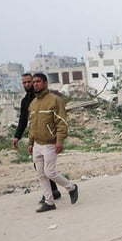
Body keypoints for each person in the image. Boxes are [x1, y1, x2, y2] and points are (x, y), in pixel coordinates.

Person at [26, 73, 79, 213]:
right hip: (37, 144)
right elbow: (31, 125)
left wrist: (59, 140)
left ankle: (71, 187)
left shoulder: (55, 100)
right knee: (41, 174)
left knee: (49, 172)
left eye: (38, 82)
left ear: (45, 83)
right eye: (34, 82)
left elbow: (62, 123)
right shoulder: (33, 103)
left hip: (50, 143)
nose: (35, 84)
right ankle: (49, 202)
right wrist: (30, 143)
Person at [12, 73, 60, 202]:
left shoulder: (45, 98)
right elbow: (23, 120)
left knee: (48, 169)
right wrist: (17, 136)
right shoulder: (26, 101)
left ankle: (59, 190)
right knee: (39, 167)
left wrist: (58, 137)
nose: (28, 85)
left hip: (48, 137)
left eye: (29, 82)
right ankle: (51, 192)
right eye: (25, 83)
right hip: (35, 137)